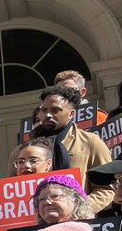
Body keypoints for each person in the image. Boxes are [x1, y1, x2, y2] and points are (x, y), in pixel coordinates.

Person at [32, 84, 113, 212]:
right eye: (44, 110)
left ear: (71, 114)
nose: (47, 115)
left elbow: (107, 188)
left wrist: (79, 209)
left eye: (55, 110)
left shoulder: (91, 142)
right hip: (38, 224)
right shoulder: (26, 149)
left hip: (80, 222)